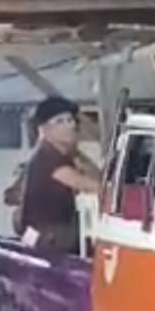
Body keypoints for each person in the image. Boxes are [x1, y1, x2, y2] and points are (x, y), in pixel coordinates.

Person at [16, 95, 101, 253]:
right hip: (46, 238)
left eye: (70, 120)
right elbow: (88, 185)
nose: (70, 126)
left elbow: (96, 177)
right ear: (45, 130)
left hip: (51, 236)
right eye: (60, 121)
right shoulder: (48, 157)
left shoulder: (66, 156)